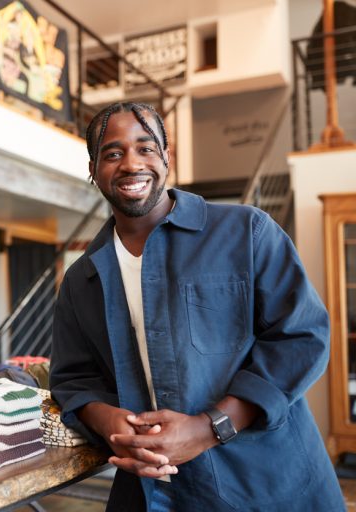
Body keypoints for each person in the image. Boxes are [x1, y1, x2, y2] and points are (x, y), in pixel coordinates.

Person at [49, 101, 344, 511]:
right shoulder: (81, 280)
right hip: (152, 490)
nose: (131, 163)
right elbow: (73, 378)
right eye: (112, 153)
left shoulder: (247, 231)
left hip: (265, 483)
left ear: (167, 158)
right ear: (93, 170)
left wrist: (210, 428)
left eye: (146, 148)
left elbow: (301, 337)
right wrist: (109, 422)